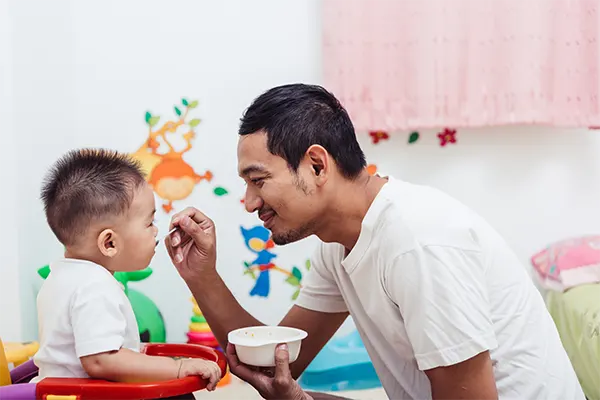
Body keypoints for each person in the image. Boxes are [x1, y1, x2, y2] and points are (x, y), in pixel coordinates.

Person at [166, 84, 585, 400]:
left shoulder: (417, 241)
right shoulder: (337, 244)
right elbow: (282, 363)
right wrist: (201, 276)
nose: (249, 202)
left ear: (316, 165)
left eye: (258, 181)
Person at [34, 149, 221, 399]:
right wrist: (177, 367)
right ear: (109, 243)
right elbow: (102, 361)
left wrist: (139, 353)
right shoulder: (94, 286)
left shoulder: (60, 277)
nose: (156, 231)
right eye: (149, 223)